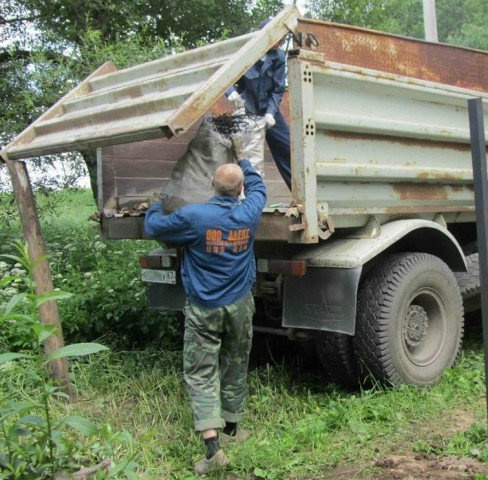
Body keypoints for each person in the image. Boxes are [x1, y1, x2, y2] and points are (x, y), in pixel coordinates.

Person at [144, 159, 267, 474]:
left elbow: (152, 227)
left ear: (212, 185)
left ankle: (213, 451)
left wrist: (156, 204)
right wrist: (244, 161)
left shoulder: (193, 217)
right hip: (240, 304)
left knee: (201, 372)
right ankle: (233, 427)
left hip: (204, 306)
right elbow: (259, 188)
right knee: (236, 359)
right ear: (240, 189)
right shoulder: (250, 211)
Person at [226, 19, 292, 190]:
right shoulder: (246, 51)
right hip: (247, 110)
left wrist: (271, 112)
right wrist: (230, 91)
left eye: (283, 39)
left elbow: (278, 89)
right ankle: (246, 198)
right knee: (249, 158)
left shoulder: (278, 56)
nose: (282, 42)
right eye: (279, 38)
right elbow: (226, 75)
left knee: (288, 148)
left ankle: (301, 194)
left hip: (269, 110)